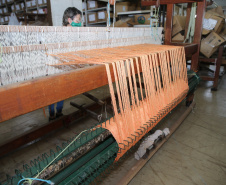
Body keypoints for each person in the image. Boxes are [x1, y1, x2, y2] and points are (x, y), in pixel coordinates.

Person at [49, 7, 82, 121]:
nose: (80, 24)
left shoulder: (73, 34)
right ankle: (52, 114)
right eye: (77, 21)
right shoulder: (58, 34)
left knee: (62, 91)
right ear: (69, 20)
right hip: (54, 66)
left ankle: (58, 112)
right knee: (53, 93)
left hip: (65, 66)